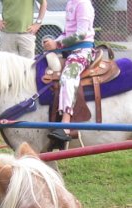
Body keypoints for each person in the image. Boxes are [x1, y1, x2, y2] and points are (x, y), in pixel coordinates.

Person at [43, 0, 95, 145]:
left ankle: (65, 125)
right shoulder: (70, 3)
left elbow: (81, 34)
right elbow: (67, 32)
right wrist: (53, 42)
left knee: (68, 77)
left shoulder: (83, 4)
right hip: (69, 50)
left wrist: (58, 44)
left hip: (82, 51)